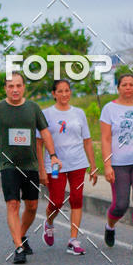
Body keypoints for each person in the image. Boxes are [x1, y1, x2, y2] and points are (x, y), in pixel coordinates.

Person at [0, 71, 60, 264]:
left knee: (31, 206)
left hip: (30, 164)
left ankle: (21, 235)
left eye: (18, 86)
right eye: (10, 86)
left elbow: (45, 133)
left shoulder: (33, 108)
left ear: (24, 87)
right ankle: (18, 247)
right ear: (5, 88)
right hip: (8, 165)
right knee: (13, 205)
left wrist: (53, 156)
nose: (14, 89)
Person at [37, 80, 98, 254]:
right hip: (55, 165)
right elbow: (39, 143)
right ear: (54, 93)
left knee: (76, 199)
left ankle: (73, 240)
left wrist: (93, 166)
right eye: (60, 91)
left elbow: (87, 141)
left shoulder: (79, 113)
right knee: (56, 202)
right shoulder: (46, 114)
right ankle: (48, 223)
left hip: (78, 163)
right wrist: (41, 168)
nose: (64, 94)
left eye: (67, 91)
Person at [100, 73, 133, 253]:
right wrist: (107, 164)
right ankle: (110, 226)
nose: (128, 88)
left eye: (131, 84)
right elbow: (105, 139)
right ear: (118, 88)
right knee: (121, 204)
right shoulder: (109, 109)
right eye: (124, 85)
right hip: (119, 163)